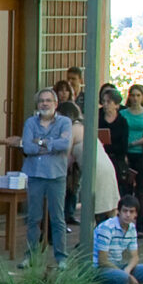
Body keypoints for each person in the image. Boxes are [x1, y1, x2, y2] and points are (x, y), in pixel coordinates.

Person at [18, 87, 74, 265]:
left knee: (57, 218)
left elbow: (65, 144)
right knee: (33, 218)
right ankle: (30, 257)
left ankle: (61, 258)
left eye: (48, 100)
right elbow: (27, 147)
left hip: (56, 175)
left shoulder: (65, 122)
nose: (44, 104)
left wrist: (42, 142)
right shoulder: (30, 123)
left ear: (55, 104)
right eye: (41, 101)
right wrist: (51, 146)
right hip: (35, 175)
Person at [118, 83, 143, 236]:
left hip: (141, 155)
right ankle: (123, 225)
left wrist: (133, 143)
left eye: (138, 95)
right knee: (125, 190)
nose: (135, 98)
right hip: (125, 155)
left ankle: (141, 227)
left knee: (140, 191)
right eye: (132, 95)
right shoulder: (123, 113)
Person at [57, 76, 89, 240]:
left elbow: (66, 153)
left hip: (78, 164)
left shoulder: (74, 127)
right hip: (72, 162)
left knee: (73, 188)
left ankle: (70, 216)